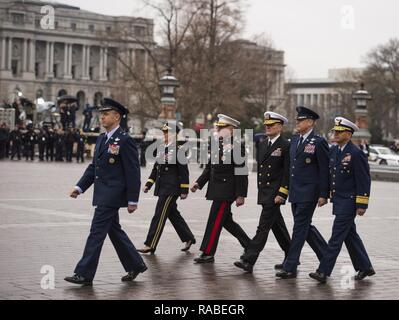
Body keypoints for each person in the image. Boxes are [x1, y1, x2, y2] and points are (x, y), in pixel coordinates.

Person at [65, 97, 146, 286]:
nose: (102, 118)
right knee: (114, 231)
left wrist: (133, 199)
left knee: (96, 232)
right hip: (103, 193)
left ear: (117, 117)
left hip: (112, 195)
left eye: (106, 114)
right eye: (101, 114)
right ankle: (135, 264)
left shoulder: (124, 141)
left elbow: (133, 172)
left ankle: (84, 273)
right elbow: (94, 168)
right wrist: (79, 187)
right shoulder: (102, 139)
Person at [309, 117, 375, 283]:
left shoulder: (356, 153)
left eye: (339, 132)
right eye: (335, 131)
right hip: (338, 200)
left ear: (348, 134)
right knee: (349, 235)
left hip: (350, 202)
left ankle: (323, 271)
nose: (335, 134)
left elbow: (364, 180)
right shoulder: (334, 151)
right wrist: (324, 194)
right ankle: (365, 267)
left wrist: (362, 204)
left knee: (336, 237)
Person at [234, 111, 292, 273]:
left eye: (271, 125)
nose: (267, 127)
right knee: (277, 226)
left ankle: (249, 259)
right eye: (266, 125)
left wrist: (282, 193)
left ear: (279, 127)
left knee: (263, 227)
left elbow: (287, 172)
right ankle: (292, 256)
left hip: (275, 193)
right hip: (265, 192)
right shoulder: (262, 143)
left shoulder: (285, 145)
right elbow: (261, 170)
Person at [276, 106, 328, 279]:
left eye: (301, 120)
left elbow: (324, 170)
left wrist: (323, 193)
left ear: (311, 122)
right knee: (305, 228)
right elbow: (291, 168)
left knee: (299, 228)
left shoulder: (318, 142)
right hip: (296, 192)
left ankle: (290, 266)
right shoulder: (295, 140)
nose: (297, 122)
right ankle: (327, 257)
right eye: (297, 120)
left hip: (309, 192)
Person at [191, 114, 251, 264]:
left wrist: (241, 195)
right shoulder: (218, 144)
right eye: (218, 127)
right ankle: (250, 246)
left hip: (227, 190)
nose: (217, 130)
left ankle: (208, 252)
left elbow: (241, 172)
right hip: (217, 188)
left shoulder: (237, 146)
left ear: (231, 129)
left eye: (221, 127)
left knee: (215, 219)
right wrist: (198, 183)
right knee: (226, 221)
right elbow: (210, 168)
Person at [138, 122, 196, 254]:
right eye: (163, 132)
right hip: (162, 187)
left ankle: (150, 244)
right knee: (172, 214)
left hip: (172, 188)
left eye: (167, 132)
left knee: (159, 215)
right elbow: (156, 169)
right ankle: (189, 237)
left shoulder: (179, 149)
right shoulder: (161, 147)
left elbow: (184, 171)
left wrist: (184, 190)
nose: (164, 134)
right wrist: (148, 184)